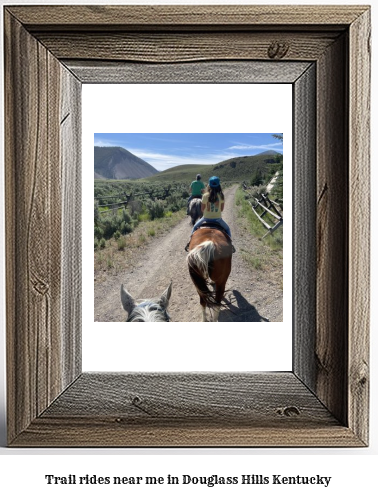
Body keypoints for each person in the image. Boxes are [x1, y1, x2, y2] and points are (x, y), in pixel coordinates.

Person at [185, 176, 235, 252]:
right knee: (227, 229)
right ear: (219, 185)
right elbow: (221, 209)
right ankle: (231, 246)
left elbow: (202, 209)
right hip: (218, 219)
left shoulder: (205, 196)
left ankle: (189, 243)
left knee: (195, 227)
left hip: (206, 218)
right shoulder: (221, 196)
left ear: (209, 185)